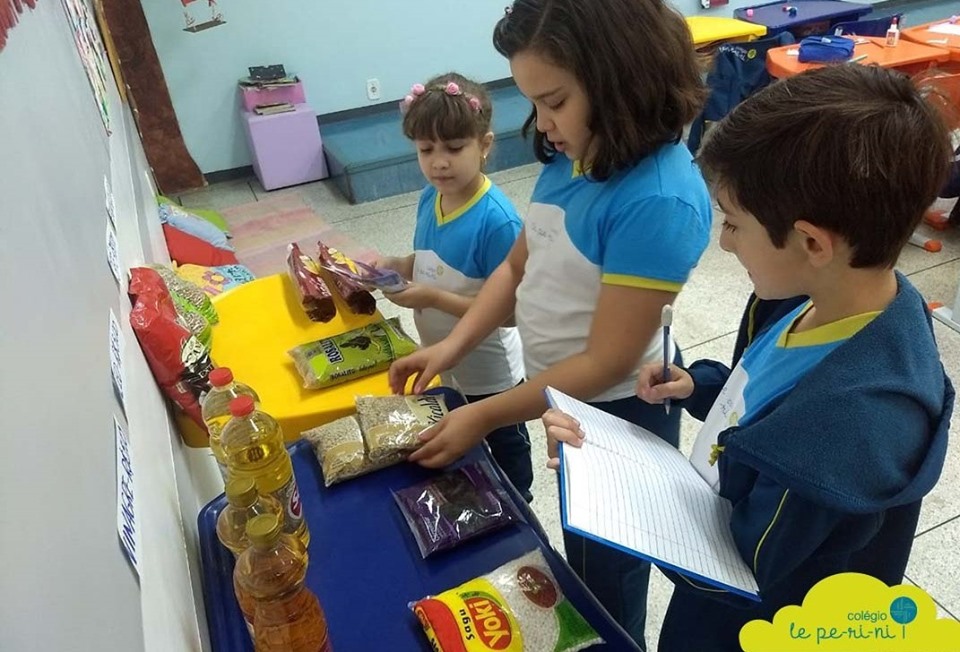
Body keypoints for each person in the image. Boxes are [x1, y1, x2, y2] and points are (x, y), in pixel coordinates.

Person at [545, 64, 954, 651]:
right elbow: (760, 383)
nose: (726, 242)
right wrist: (700, 384)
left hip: (750, 630)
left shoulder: (841, 435)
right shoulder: (824, 299)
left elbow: (734, 572)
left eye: (734, 224)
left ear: (813, 243)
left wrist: (603, 482)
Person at [389, 0, 712, 646]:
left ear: (622, 81)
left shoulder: (659, 200)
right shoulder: (574, 157)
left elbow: (606, 361)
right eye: (534, 102)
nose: (543, 124)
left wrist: (484, 414)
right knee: (580, 552)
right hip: (561, 399)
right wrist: (454, 343)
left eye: (555, 101)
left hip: (616, 416)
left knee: (607, 572)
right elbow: (516, 266)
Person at [376, 72, 533, 501]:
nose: (439, 162)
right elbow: (431, 263)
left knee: (504, 454)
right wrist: (398, 264)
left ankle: (520, 508)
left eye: (454, 148)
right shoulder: (432, 196)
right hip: (447, 362)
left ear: (484, 146)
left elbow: (512, 312)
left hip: (491, 372)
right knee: (465, 448)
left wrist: (429, 298)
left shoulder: (497, 221)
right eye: (426, 150)